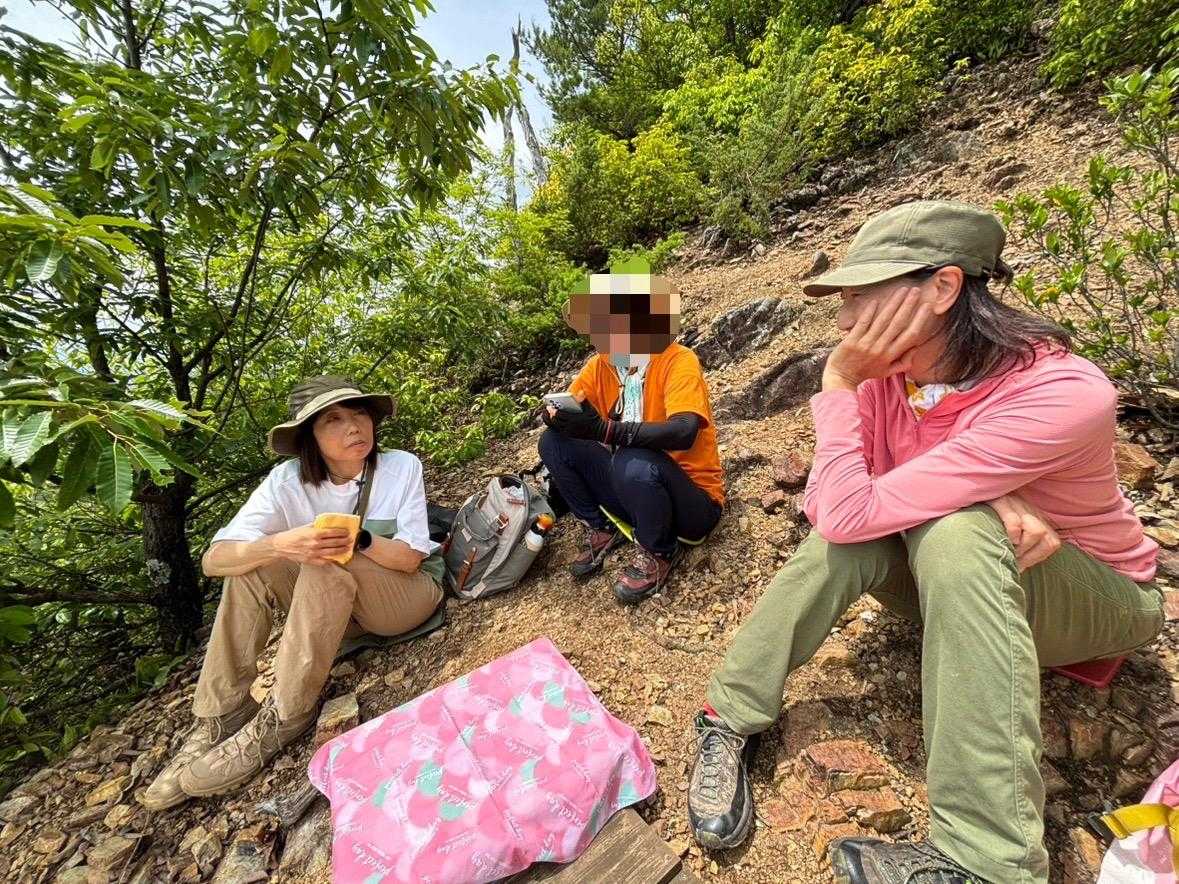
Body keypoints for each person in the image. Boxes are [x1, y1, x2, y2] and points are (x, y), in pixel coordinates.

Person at [684, 201, 1164, 883]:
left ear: (942, 287)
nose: (845, 322)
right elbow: (833, 511)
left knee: (955, 528)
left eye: (860, 295)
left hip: (1096, 599)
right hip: (978, 585)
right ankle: (729, 714)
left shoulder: (1062, 391)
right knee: (866, 536)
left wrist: (841, 384)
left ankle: (988, 859)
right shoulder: (889, 382)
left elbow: (858, 504)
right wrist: (973, 485)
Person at [140, 376, 444, 810]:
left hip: (402, 599)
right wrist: (279, 544)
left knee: (324, 559)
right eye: (333, 420)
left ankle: (287, 712)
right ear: (308, 438)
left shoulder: (401, 467)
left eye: (359, 413)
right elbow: (215, 560)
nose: (354, 426)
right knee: (251, 566)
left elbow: (411, 559)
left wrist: (356, 539)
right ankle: (222, 711)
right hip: (338, 612)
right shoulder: (286, 482)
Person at [539, 263, 725, 604]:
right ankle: (602, 527)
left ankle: (659, 550)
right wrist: (555, 416)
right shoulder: (602, 366)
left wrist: (605, 429)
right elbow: (571, 403)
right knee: (554, 442)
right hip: (635, 488)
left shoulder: (677, 360)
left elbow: (683, 431)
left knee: (631, 457)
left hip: (691, 502)